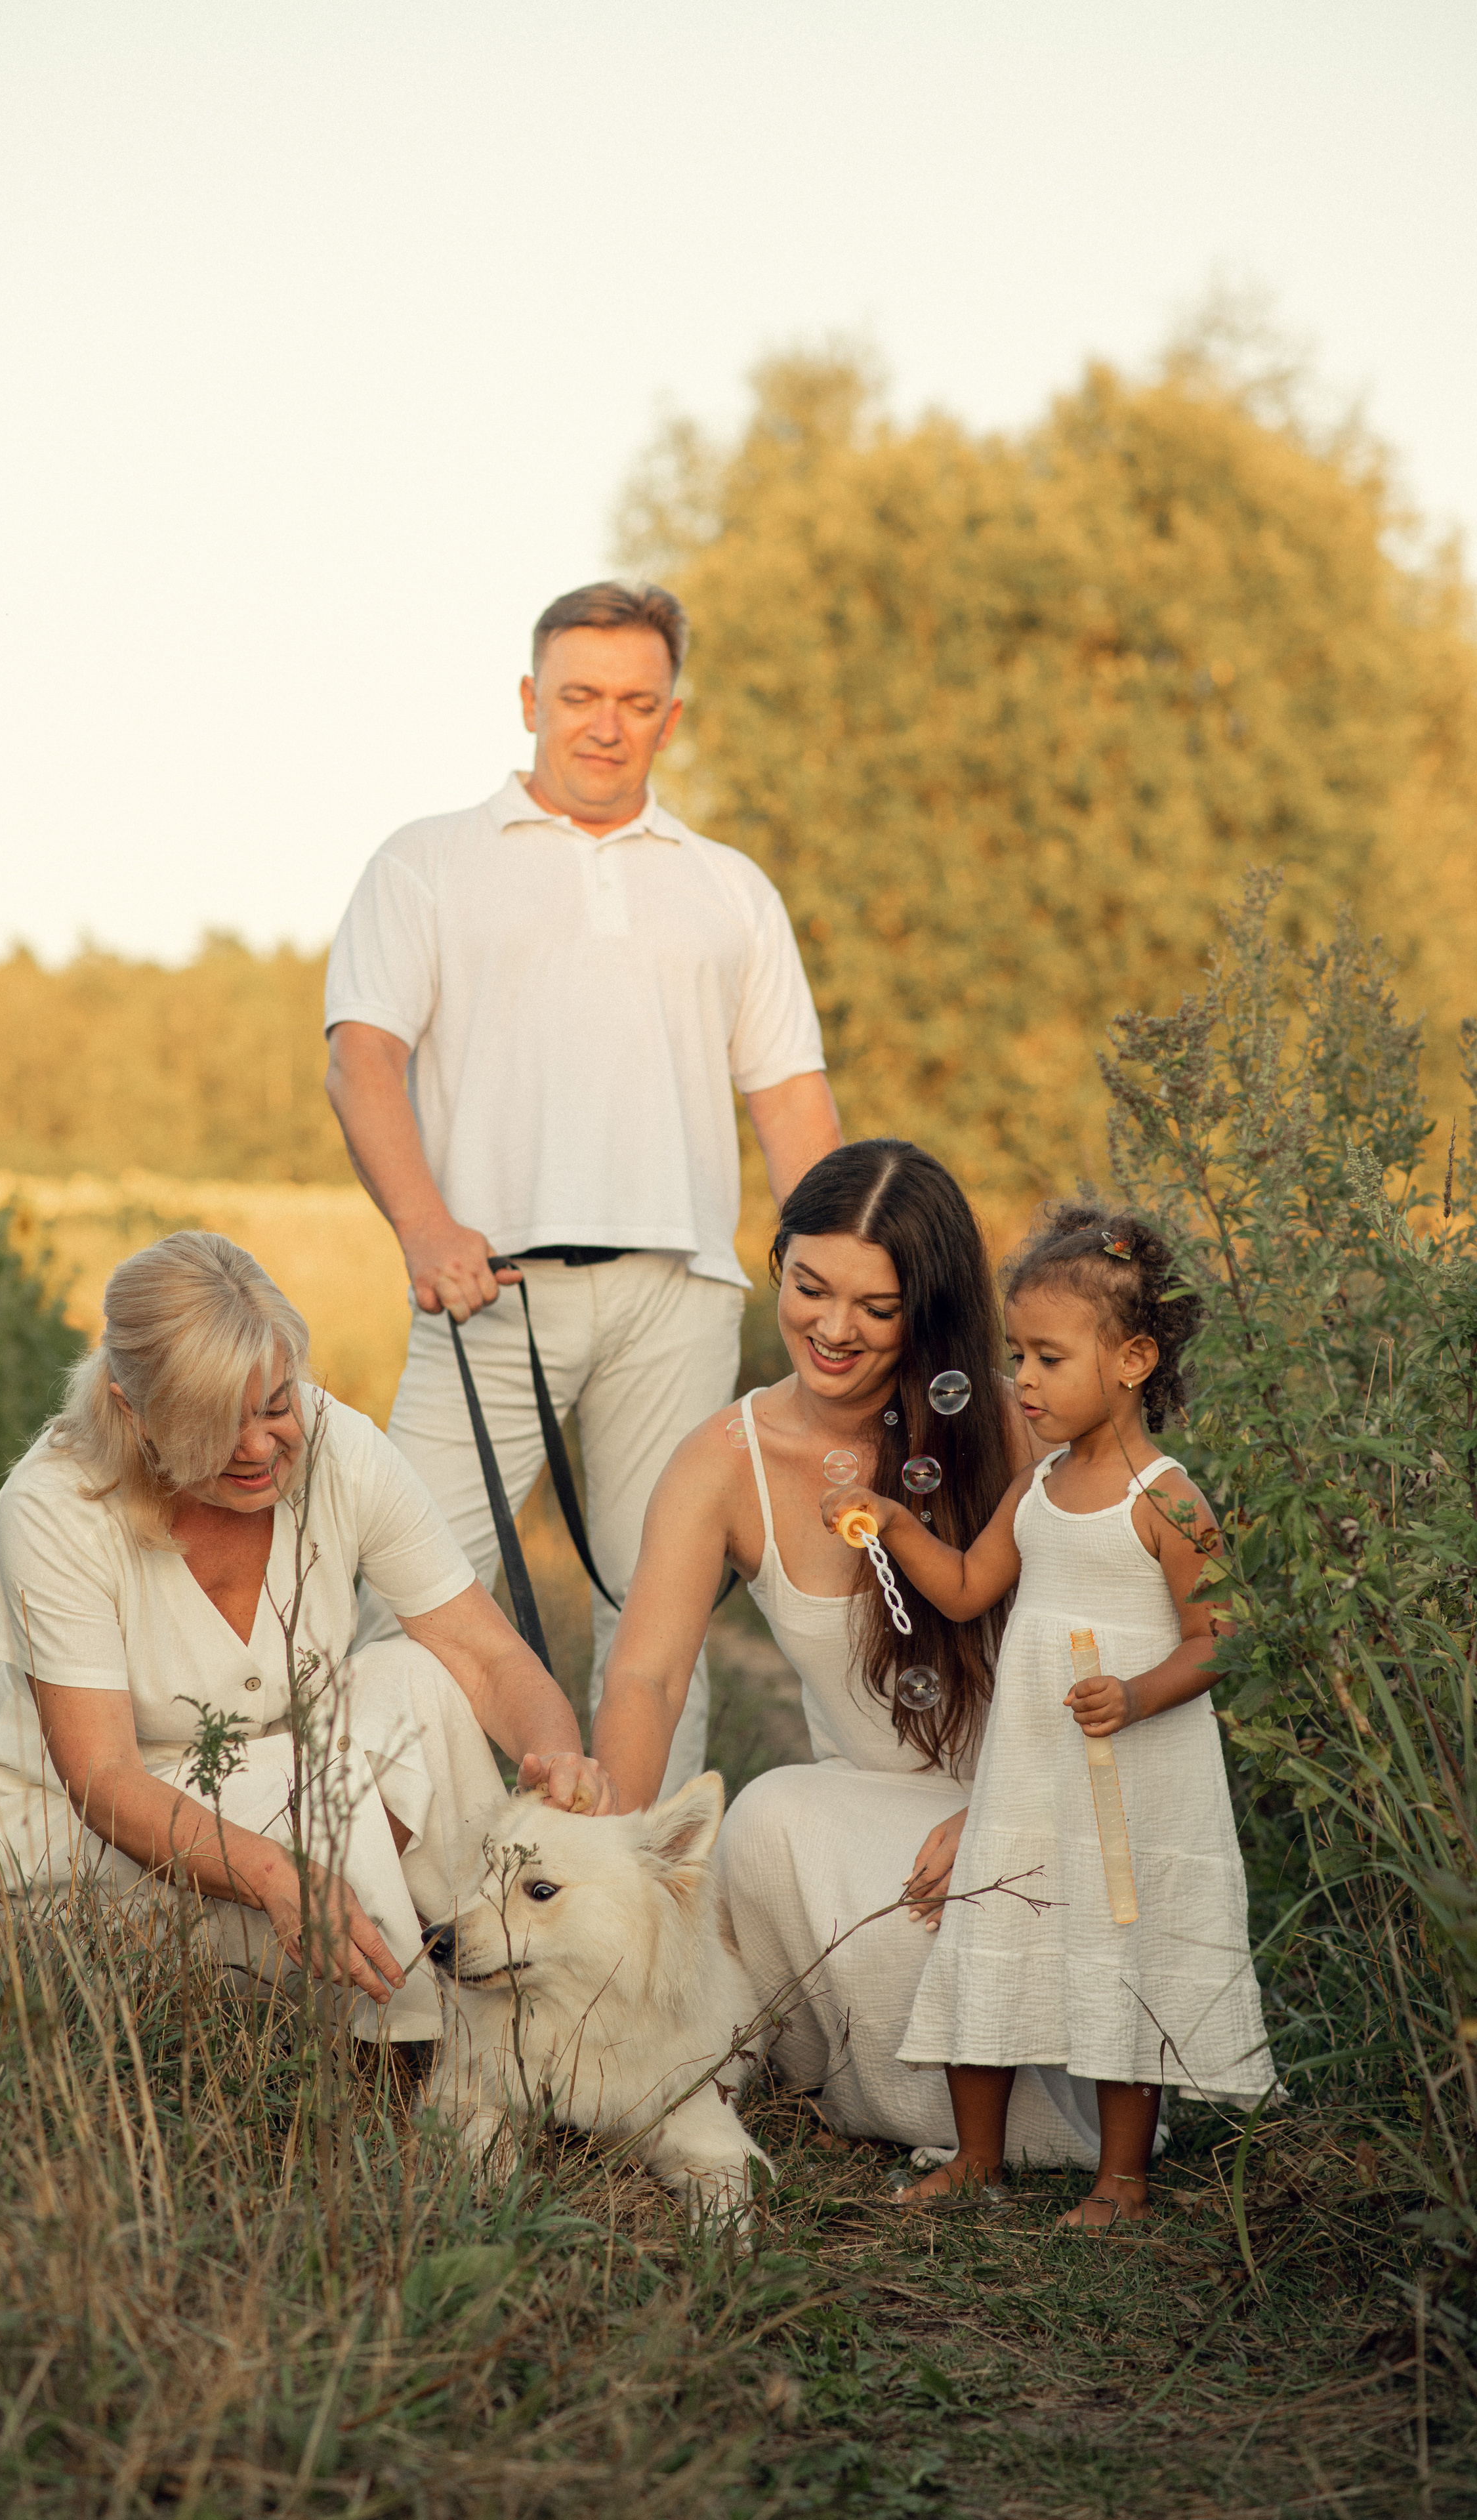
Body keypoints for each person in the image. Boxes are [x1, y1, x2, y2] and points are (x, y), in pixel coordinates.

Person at [323, 580, 840, 1794]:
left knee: (652, 1625)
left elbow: (792, 1103)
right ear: (529, 701)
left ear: (671, 716)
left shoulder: (730, 888)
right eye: (579, 698)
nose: (604, 724)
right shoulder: (427, 862)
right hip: (481, 1291)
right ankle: (399, 1910)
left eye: (635, 702)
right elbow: (363, 1061)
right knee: (411, 1601)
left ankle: (640, 1928)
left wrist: (835, 1286)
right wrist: (424, 1225)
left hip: (683, 1293)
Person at [0, 1232, 614, 2044]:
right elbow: (102, 1781)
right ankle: (424, 2046)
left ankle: (494, 1982)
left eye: (275, 1405)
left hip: (268, 1777)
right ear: (131, 1407)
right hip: (84, 1848)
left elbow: (484, 1653)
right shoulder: (54, 1505)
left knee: (419, 1679)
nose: (261, 1448)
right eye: (219, 1426)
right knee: (339, 1811)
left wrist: (554, 1759)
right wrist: (276, 1874)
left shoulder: (342, 1449)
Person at [590, 1140, 1105, 2170]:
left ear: (931, 1306)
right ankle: (927, 2103)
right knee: (767, 1820)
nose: (833, 1328)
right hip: (860, 1841)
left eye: (877, 1306)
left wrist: (1002, 1806)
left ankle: (1030, 2122)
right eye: (809, 1287)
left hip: (1040, 1812)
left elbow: (1107, 1653)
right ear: (776, 1263)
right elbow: (646, 1673)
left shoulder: (1017, 1428)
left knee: (817, 1856)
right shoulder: (721, 1461)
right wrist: (612, 1865)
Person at [833, 1204, 1275, 2225]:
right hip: (1034, 1767)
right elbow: (963, 1587)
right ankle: (976, 2157)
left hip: (1128, 1771)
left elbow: (1223, 1636)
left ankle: (1121, 2178)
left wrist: (1138, 1693)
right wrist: (895, 1523)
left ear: (1131, 1359)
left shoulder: (1166, 1498)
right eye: (1016, 1354)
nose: (1022, 1381)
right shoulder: (1037, 1486)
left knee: (1123, 1949)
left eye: (1047, 1358)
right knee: (990, 1929)